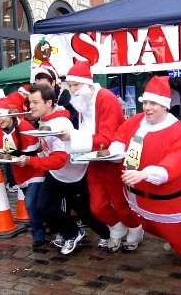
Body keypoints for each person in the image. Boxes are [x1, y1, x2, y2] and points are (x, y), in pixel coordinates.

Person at [107, 75, 181, 268]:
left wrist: (145, 174)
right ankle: (170, 238)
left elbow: (176, 161)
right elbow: (121, 134)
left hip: (175, 199)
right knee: (154, 225)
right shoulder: (137, 120)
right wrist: (116, 149)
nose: (147, 107)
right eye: (145, 102)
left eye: (153, 103)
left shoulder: (179, 132)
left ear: (165, 106)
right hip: (142, 196)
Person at [59, 60, 142, 253]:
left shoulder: (105, 98)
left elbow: (107, 137)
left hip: (114, 159)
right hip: (94, 159)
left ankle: (136, 229)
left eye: (76, 85)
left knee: (121, 202)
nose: (73, 90)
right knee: (97, 206)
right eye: (70, 86)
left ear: (87, 83)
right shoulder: (83, 101)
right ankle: (117, 229)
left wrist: (73, 137)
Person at [17, 84, 109, 255]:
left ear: (49, 103)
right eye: (30, 102)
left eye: (35, 102)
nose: (31, 106)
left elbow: (59, 159)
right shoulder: (44, 120)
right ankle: (72, 233)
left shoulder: (61, 124)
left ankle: (107, 235)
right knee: (43, 207)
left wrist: (31, 161)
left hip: (75, 175)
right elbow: (47, 151)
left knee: (86, 213)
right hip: (55, 175)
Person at [0, 98, 46, 247]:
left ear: (11, 115)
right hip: (20, 173)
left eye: (1, 115)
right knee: (35, 205)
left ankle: (38, 236)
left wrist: (11, 154)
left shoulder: (25, 125)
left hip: (36, 170)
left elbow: (32, 151)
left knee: (30, 203)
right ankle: (45, 224)